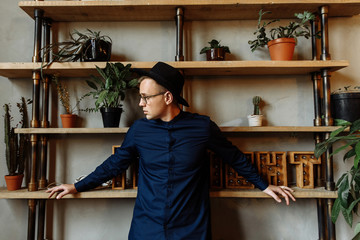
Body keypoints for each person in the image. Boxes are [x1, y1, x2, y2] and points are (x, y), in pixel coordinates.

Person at [47, 62, 295, 240]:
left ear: (167, 97)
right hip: (147, 226)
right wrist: (76, 186)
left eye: (145, 97)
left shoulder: (202, 127)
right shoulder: (139, 130)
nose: (140, 103)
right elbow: (115, 164)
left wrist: (264, 186)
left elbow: (234, 157)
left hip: (191, 227)